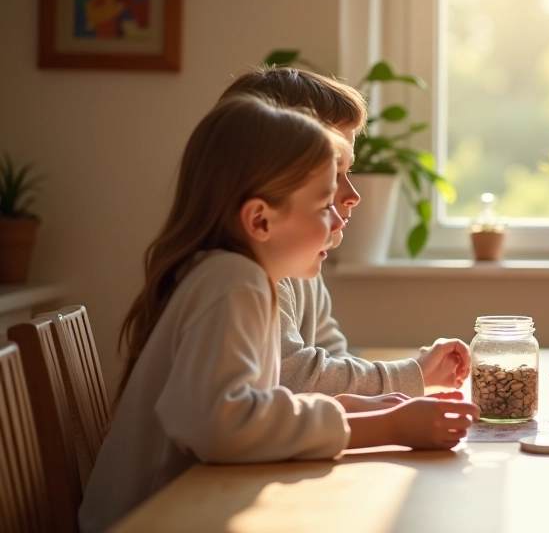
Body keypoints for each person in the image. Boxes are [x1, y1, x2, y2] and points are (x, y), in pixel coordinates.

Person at [80, 94, 478, 533]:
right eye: (324, 205)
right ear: (260, 221)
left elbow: (252, 405)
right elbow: (222, 427)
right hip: (152, 520)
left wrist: (349, 407)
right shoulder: (233, 281)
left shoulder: (235, 277)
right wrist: (386, 427)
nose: (338, 221)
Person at [220, 66, 470, 411]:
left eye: (346, 170)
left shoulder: (297, 260)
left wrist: (397, 398)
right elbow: (293, 380)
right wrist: (412, 376)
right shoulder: (239, 277)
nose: (352, 194)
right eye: (332, 173)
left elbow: (330, 359)